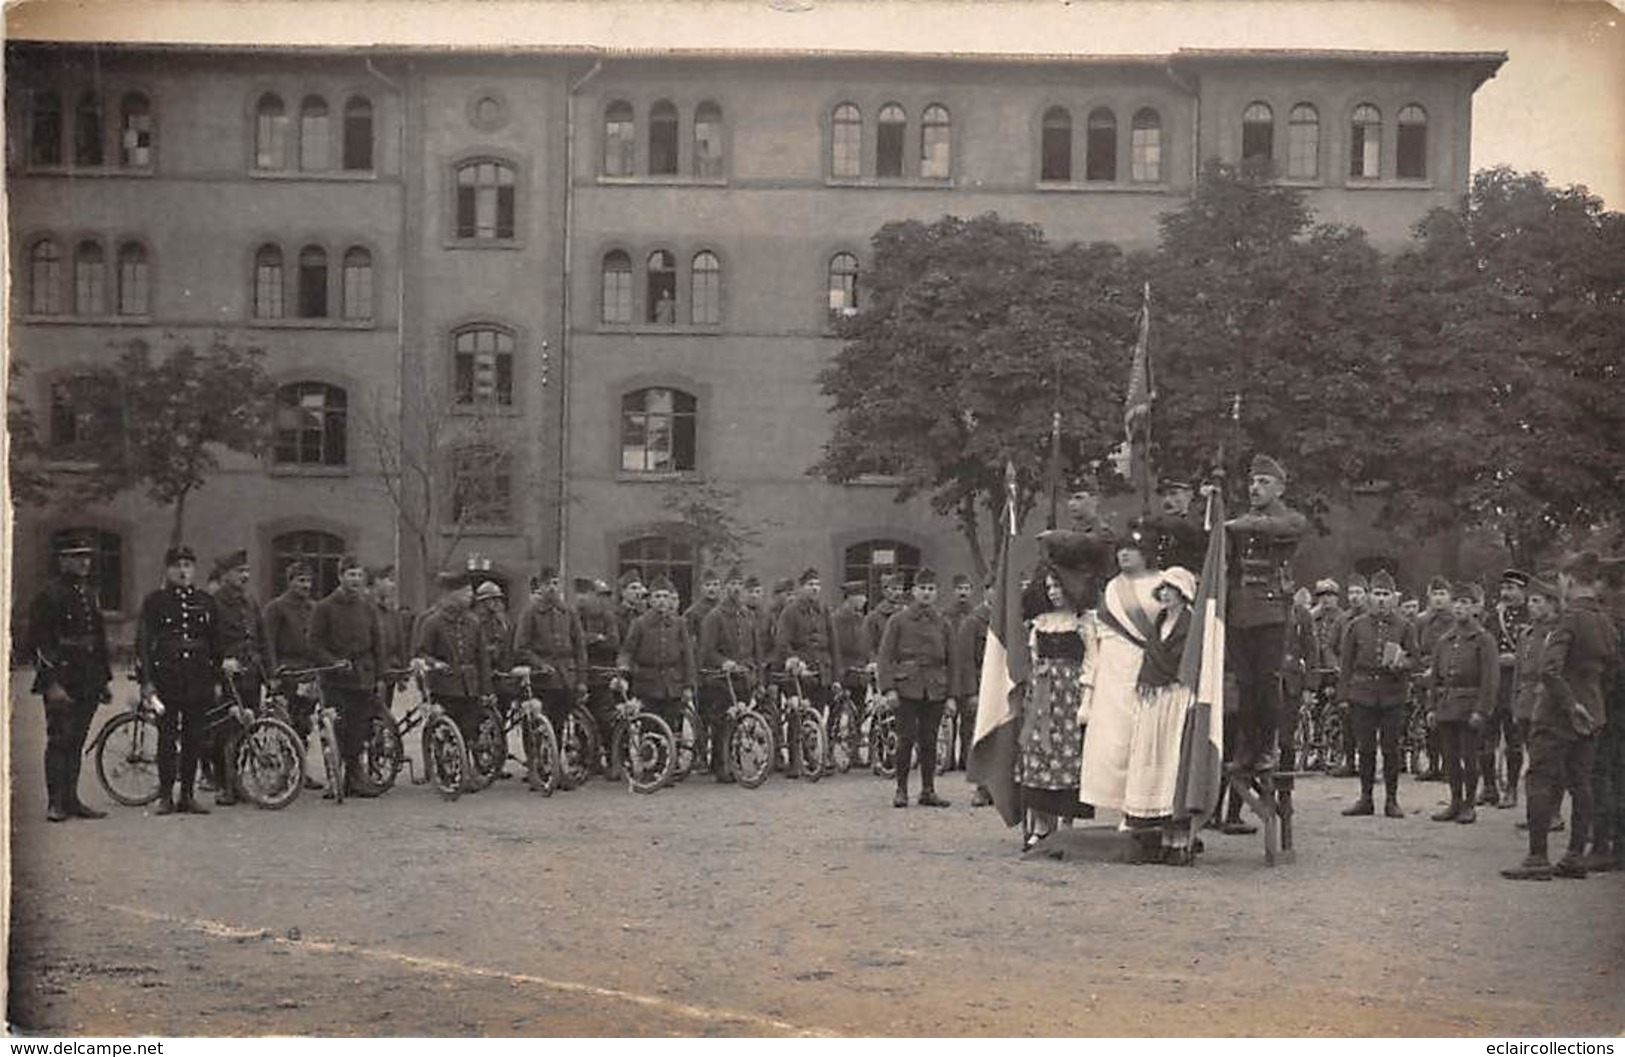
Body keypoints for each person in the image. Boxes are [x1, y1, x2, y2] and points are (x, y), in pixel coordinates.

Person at [1503, 552, 1618, 880]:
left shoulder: (1568, 619)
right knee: (1581, 784)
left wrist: (1570, 705)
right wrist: (1589, 703)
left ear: (1568, 580)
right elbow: (1612, 670)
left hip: (1557, 715)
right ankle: (1574, 857)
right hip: (1594, 712)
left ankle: (1538, 858)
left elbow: (1549, 670)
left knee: (1539, 779)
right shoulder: (1605, 621)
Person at [1223, 454, 1309, 771]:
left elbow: (1275, 527)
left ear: (1281, 488)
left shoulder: (1291, 520)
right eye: (1252, 482)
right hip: (1240, 611)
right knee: (1244, 684)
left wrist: (1235, 524)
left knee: (1267, 682)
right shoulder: (1240, 523)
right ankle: (1248, 748)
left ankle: (1267, 747)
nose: (1255, 488)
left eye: (1264, 482)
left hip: (1271, 611)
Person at [1079, 525, 1167, 816]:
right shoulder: (1112, 587)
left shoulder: (1164, 584)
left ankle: (1143, 807)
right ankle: (1118, 806)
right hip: (1112, 672)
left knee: (1144, 740)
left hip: (1150, 669)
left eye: (1132, 549)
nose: (1125, 554)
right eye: (1121, 550)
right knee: (1113, 741)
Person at [28, 533, 113, 822]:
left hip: (88, 675)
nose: (84, 562)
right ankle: (55, 803)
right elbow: (39, 643)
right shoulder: (49, 595)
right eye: (77, 557)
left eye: (86, 556)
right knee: (59, 738)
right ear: (62, 559)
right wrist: (51, 683)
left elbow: (99, 639)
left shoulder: (89, 593)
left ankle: (72, 799)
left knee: (77, 739)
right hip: (63, 675)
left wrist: (104, 680)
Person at [136, 545, 223, 815]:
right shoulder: (155, 601)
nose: (183, 571)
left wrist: (216, 678)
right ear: (168, 570)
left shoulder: (207, 602)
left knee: (194, 738)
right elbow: (143, 643)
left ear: (194, 570)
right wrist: (146, 681)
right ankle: (165, 796)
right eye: (177, 566)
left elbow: (216, 643)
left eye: (188, 565)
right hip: (166, 679)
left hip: (198, 678)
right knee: (167, 736)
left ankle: (187, 794)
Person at [1123, 566, 1199, 861]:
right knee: (1151, 759)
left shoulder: (1191, 625)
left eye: (1171, 588)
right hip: (1155, 698)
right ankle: (1159, 836)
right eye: (1163, 588)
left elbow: (1194, 664)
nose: (1165, 594)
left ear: (1183, 593)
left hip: (1178, 697)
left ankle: (1179, 840)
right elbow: (1151, 657)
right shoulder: (1158, 622)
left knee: (1173, 762)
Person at [1337, 570, 1418, 818]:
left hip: (1393, 693)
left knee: (1391, 748)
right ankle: (1366, 798)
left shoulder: (1405, 627)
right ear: (1369, 597)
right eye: (1377, 594)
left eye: (1386, 594)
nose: (1381, 599)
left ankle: (1392, 800)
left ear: (1394, 598)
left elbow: (1416, 658)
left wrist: (1402, 664)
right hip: (1362, 693)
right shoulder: (1355, 626)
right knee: (1366, 747)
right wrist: (1343, 696)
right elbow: (1346, 664)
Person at [877, 567, 957, 809]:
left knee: (930, 740)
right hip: (906, 687)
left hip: (935, 688)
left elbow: (953, 661)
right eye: (922, 589)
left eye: (931, 589)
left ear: (936, 593)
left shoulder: (943, 622)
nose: (926, 593)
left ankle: (928, 790)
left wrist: (952, 695)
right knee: (906, 738)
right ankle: (901, 789)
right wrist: (888, 688)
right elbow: (885, 657)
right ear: (913, 592)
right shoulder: (898, 621)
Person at [310, 555, 386, 796]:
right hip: (336, 679)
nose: (355, 580)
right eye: (350, 575)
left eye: (359, 575)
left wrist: (379, 675)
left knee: (359, 728)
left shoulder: (368, 607)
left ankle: (354, 776)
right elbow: (314, 643)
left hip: (362, 676)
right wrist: (332, 663)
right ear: (340, 577)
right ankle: (337, 778)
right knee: (338, 729)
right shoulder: (324, 607)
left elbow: (377, 642)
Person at [1428, 581, 1499, 824]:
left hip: (1470, 706)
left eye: (1465, 603)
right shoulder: (1445, 640)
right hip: (1447, 705)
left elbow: (1490, 679)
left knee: (1470, 757)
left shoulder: (1483, 639)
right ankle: (1455, 801)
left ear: (1476, 607)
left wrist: (1482, 709)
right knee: (1449, 757)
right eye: (1456, 602)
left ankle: (1469, 804)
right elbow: (1435, 677)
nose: (1459, 608)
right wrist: (1431, 707)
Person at [513, 567, 588, 766]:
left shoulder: (568, 612)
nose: (552, 588)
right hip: (541, 679)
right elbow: (521, 647)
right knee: (535, 723)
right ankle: (535, 766)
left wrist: (581, 679)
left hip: (565, 676)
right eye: (548, 584)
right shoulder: (530, 613)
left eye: (556, 583)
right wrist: (540, 664)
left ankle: (555, 766)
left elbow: (579, 647)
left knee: (559, 723)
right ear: (541, 587)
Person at [211, 550, 267, 807]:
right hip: (227, 675)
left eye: (246, 571)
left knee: (248, 726)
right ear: (225, 575)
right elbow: (207, 642)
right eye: (239, 571)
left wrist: (267, 671)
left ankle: (237, 781)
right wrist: (219, 664)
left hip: (251, 674)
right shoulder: (213, 603)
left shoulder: (251, 601)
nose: (245, 576)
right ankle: (223, 784)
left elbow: (261, 638)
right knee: (225, 730)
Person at [413, 570, 491, 752]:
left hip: (470, 687)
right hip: (444, 686)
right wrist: (434, 664)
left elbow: (482, 658)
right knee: (444, 730)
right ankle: (441, 766)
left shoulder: (473, 622)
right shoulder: (432, 622)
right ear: (451, 595)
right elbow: (421, 653)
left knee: (470, 730)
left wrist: (486, 689)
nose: (470, 597)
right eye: (466, 593)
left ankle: (465, 769)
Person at [263, 559, 324, 790]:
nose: (305, 586)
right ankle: (283, 773)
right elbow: (268, 642)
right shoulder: (276, 608)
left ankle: (300, 771)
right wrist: (273, 673)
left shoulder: (313, 608)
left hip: (309, 673)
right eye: (300, 580)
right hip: (287, 673)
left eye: (308, 581)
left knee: (304, 724)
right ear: (289, 582)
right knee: (285, 725)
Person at [775, 568, 842, 778]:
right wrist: (795, 660)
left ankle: (812, 757)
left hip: (821, 670)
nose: (814, 588)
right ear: (801, 587)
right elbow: (783, 642)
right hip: (799, 672)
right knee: (798, 716)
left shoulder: (824, 610)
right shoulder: (790, 611)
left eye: (817, 585)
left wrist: (836, 676)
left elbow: (834, 644)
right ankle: (795, 761)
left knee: (817, 716)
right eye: (810, 585)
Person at [699, 566, 761, 782]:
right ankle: (720, 765)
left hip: (744, 676)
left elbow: (756, 650)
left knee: (739, 722)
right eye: (732, 585)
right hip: (721, 679)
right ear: (726, 588)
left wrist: (757, 677)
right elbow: (707, 650)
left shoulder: (748, 616)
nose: (736, 589)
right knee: (722, 723)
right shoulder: (714, 617)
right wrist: (724, 662)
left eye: (739, 585)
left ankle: (734, 762)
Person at [1510, 576, 1561, 826]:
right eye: (1530, 600)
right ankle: (1537, 814)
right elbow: (1519, 673)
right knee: (1534, 761)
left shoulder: (1558, 634)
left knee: (1551, 762)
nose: (1531, 605)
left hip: (1548, 702)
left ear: (1552, 604)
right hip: (1526, 702)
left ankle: (1553, 813)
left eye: (1537, 601)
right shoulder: (1526, 635)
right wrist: (1515, 703)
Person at [618, 575, 697, 733]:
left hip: (673, 685)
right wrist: (623, 671)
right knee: (649, 730)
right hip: (647, 685)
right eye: (657, 596)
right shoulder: (640, 623)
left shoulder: (679, 623)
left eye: (665, 596)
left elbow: (687, 656)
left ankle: (671, 757)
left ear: (670, 600)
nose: (662, 600)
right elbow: (627, 652)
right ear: (650, 600)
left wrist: (688, 685)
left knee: (672, 729)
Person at [1482, 569, 1530, 808]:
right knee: (1486, 737)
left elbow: (1535, 650)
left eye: (1511, 588)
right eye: (1503, 588)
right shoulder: (1493, 616)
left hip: (1516, 684)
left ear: (1523, 591)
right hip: (1493, 683)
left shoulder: (1530, 615)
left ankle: (1511, 790)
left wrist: (1517, 659)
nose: (1505, 593)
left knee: (1513, 739)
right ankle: (1489, 787)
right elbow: (1485, 644)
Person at [1412, 575, 1456, 782]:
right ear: (1428, 597)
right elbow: (1415, 649)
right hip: (1426, 677)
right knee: (1429, 722)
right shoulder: (1421, 621)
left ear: (1450, 597)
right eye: (1435, 594)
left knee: (1448, 723)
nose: (1438, 599)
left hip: (1449, 678)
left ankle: (1449, 766)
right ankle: (1433, 763)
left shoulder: (1456, 621)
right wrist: (1421, 669)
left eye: (1443, 594)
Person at [953, 576, 994, 794]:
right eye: (993, 589)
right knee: (978, 734)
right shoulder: (973, 621)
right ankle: (980, 785)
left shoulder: (1010, 619)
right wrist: (970, 692)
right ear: (986, 592)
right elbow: (965, 660)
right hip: (980, 683)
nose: (997, 594)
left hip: (1002, 685)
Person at [684, 568, 722, 641]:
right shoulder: (693, 613)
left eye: (715, 584)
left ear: (720, 587)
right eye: (707, 585)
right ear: (701, 587)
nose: (712, 588)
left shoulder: (726, 610)